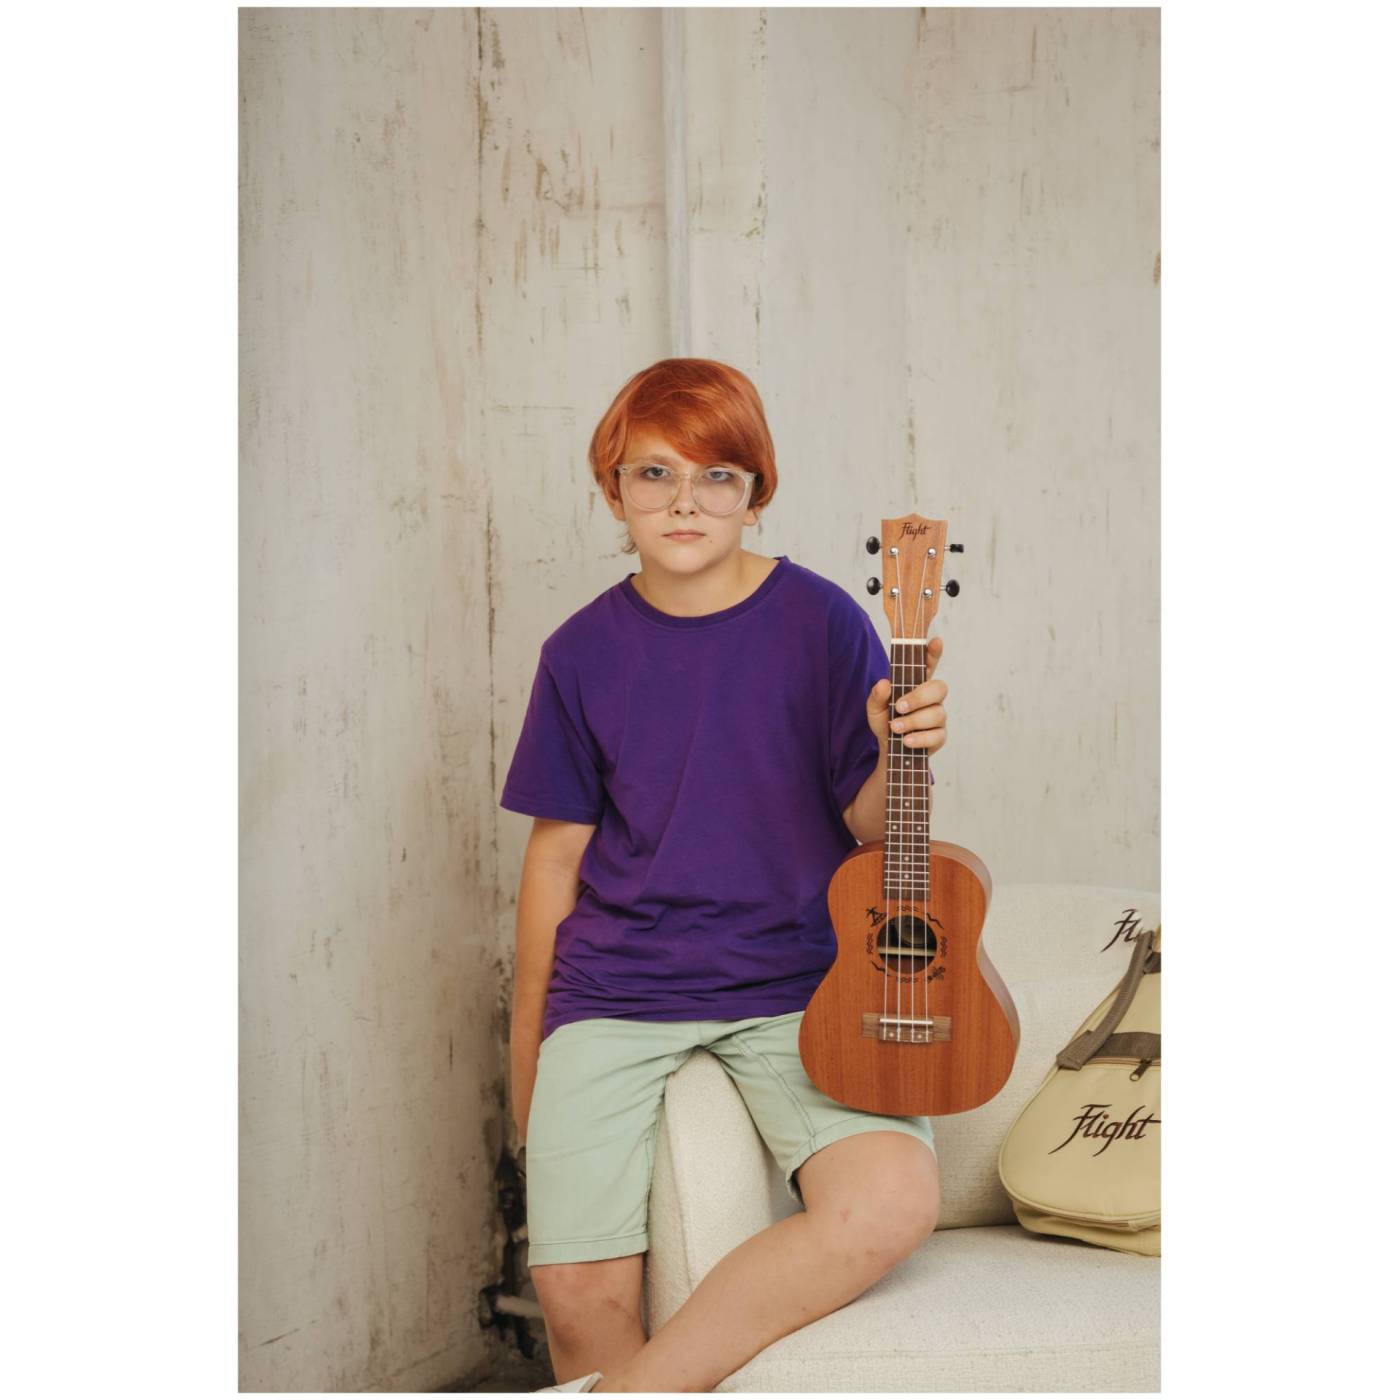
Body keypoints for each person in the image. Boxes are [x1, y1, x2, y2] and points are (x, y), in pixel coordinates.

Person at [500, 358, 949, 1393]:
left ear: (756, 493)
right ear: (612, 490)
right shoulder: (578, 652)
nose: (685, 501)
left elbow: (872, 830)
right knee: (578, 1295)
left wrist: (901, 751)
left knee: (891, 1198)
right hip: (616, 988)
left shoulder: (824, 621)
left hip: (801, 986)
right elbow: (555, 858)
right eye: (654, 473)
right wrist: (528, 1063)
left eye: (717, 476)